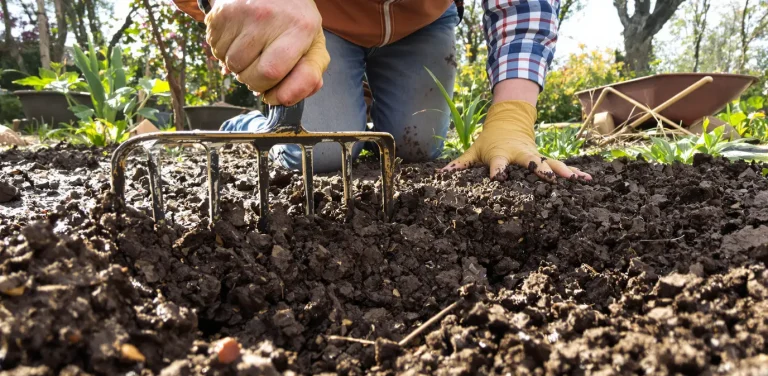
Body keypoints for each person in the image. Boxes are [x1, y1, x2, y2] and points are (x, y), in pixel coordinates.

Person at [172, 0, 592, 183]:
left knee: (417, 148)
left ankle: (358, 108)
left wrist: (513, 116)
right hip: (323, 18)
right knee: (323, 154)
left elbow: (523, 4)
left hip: (420, 19)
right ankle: (253, 125)